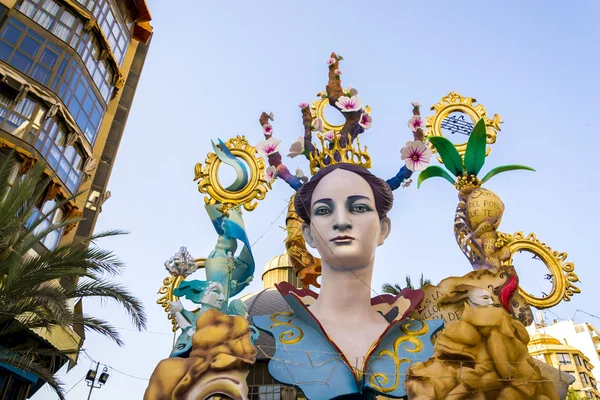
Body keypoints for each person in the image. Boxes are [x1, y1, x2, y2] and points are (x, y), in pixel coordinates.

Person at [253, 163, 441, 400]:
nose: (341, 221)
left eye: (359, 207)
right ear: (309, 234)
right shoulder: (266, 329)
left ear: (383, 229)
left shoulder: (416, 334)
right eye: (323, 211)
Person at [169, 280, 226, 357]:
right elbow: (192, 325)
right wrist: (180, 311)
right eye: (216, 291)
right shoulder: (203, 316)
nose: (222, 298)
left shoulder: (219, 320)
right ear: (200, 294)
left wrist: (179, 312)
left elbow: (189, 327)